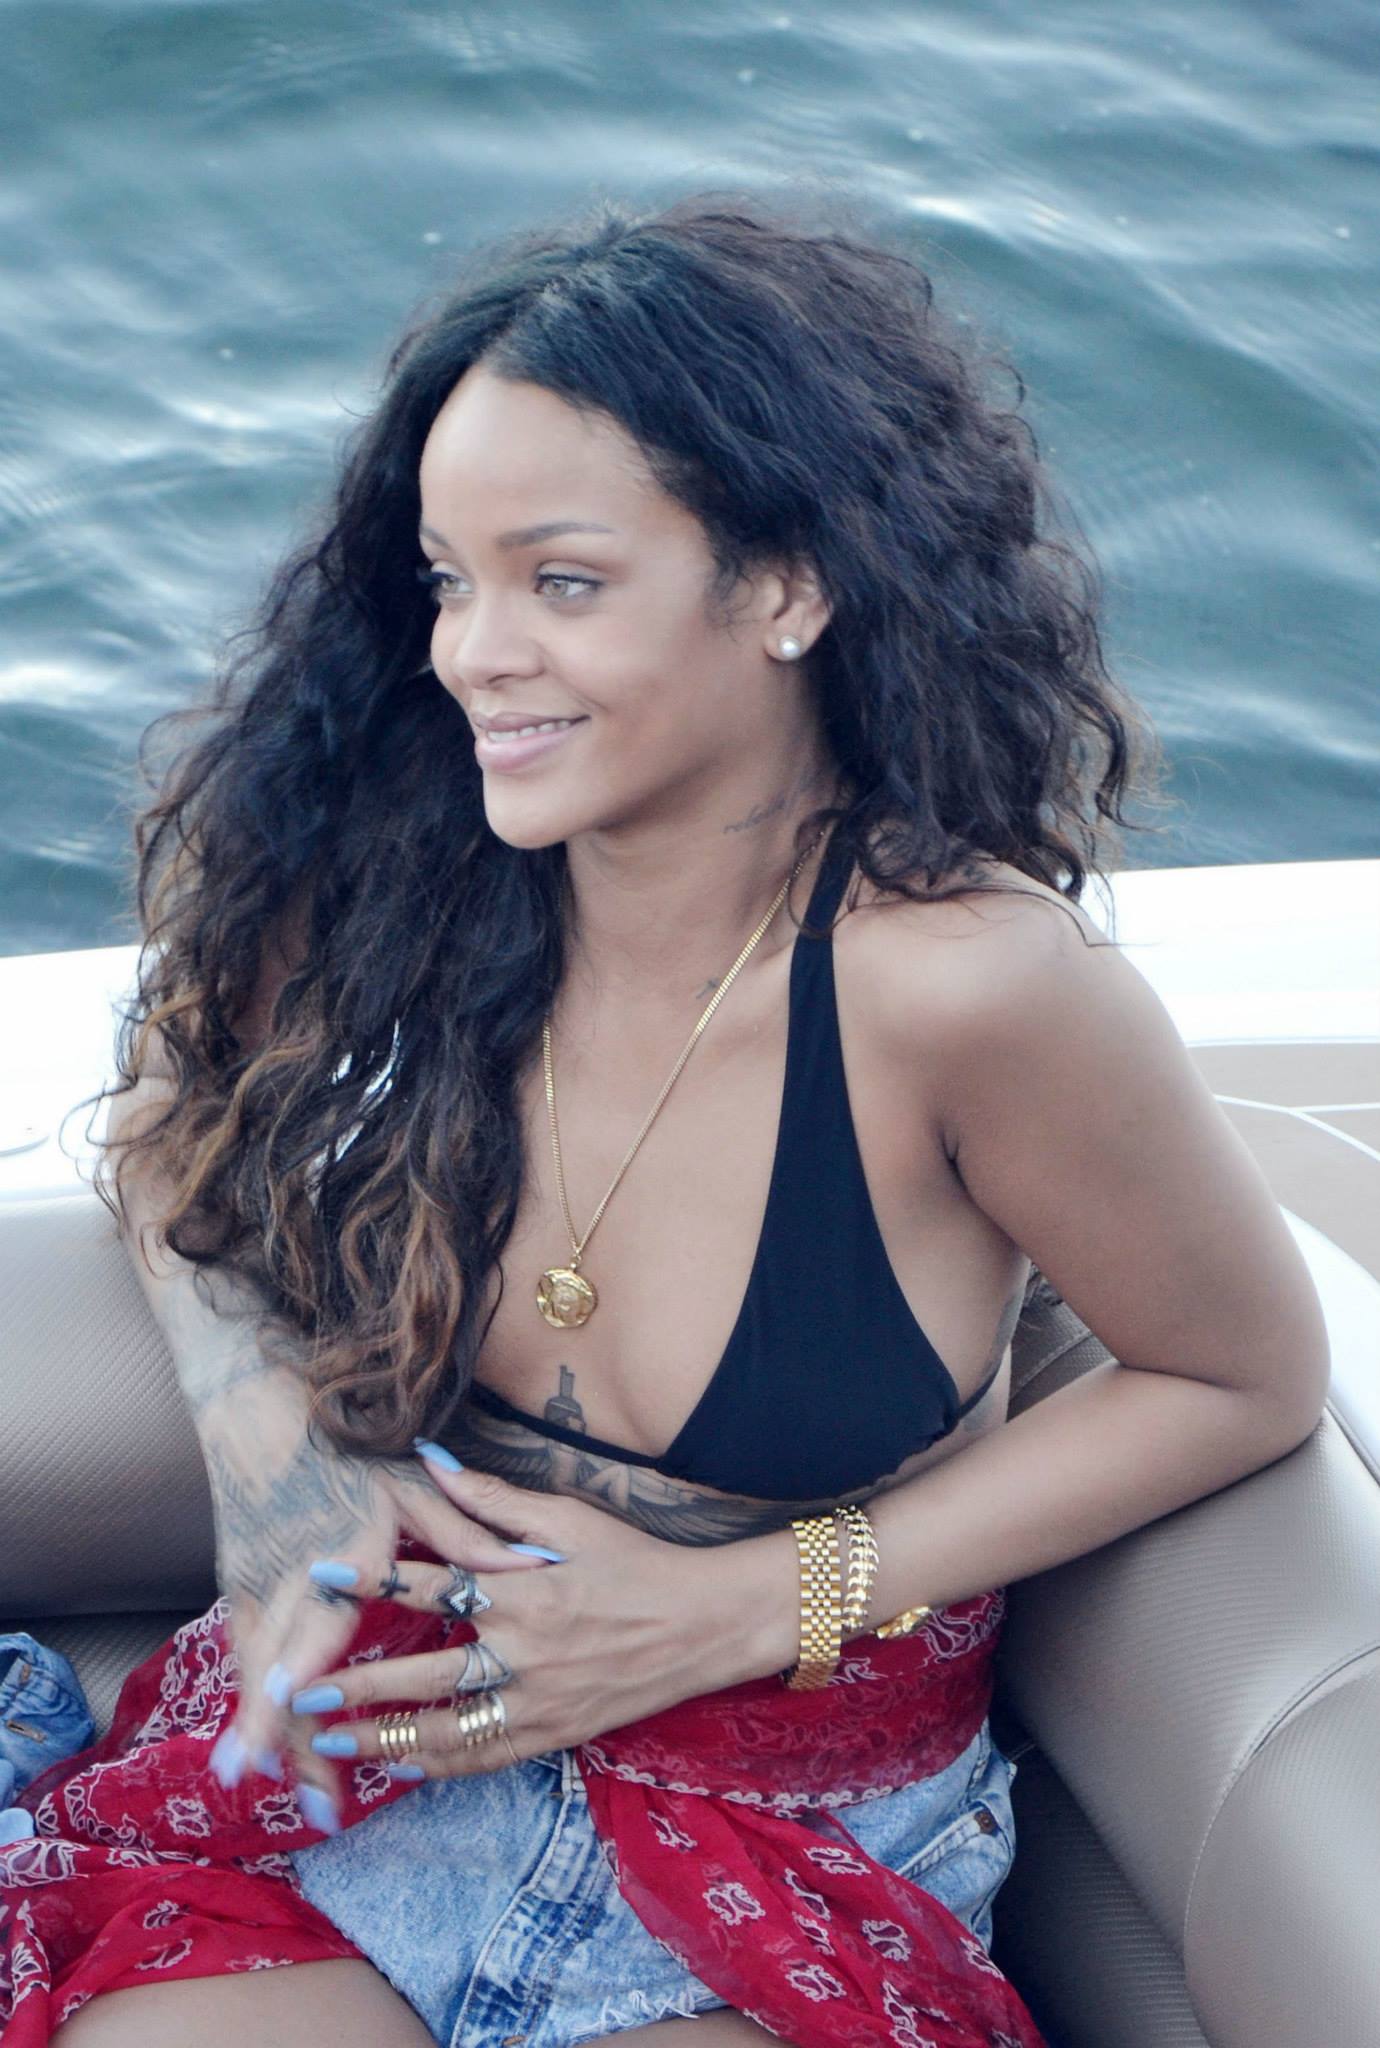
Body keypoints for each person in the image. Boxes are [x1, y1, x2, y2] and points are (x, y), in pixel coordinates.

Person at [1, 189, 1329, 2048]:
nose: (472, 654)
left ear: (787, 588)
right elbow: (172, 1116)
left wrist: (753, 1605)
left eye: (561, 583)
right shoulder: (399, 872)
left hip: (782, 1833)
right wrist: (275, 1455)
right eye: (448, 582)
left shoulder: (970, 989)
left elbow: (1237, 1375)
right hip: (352, 1764)